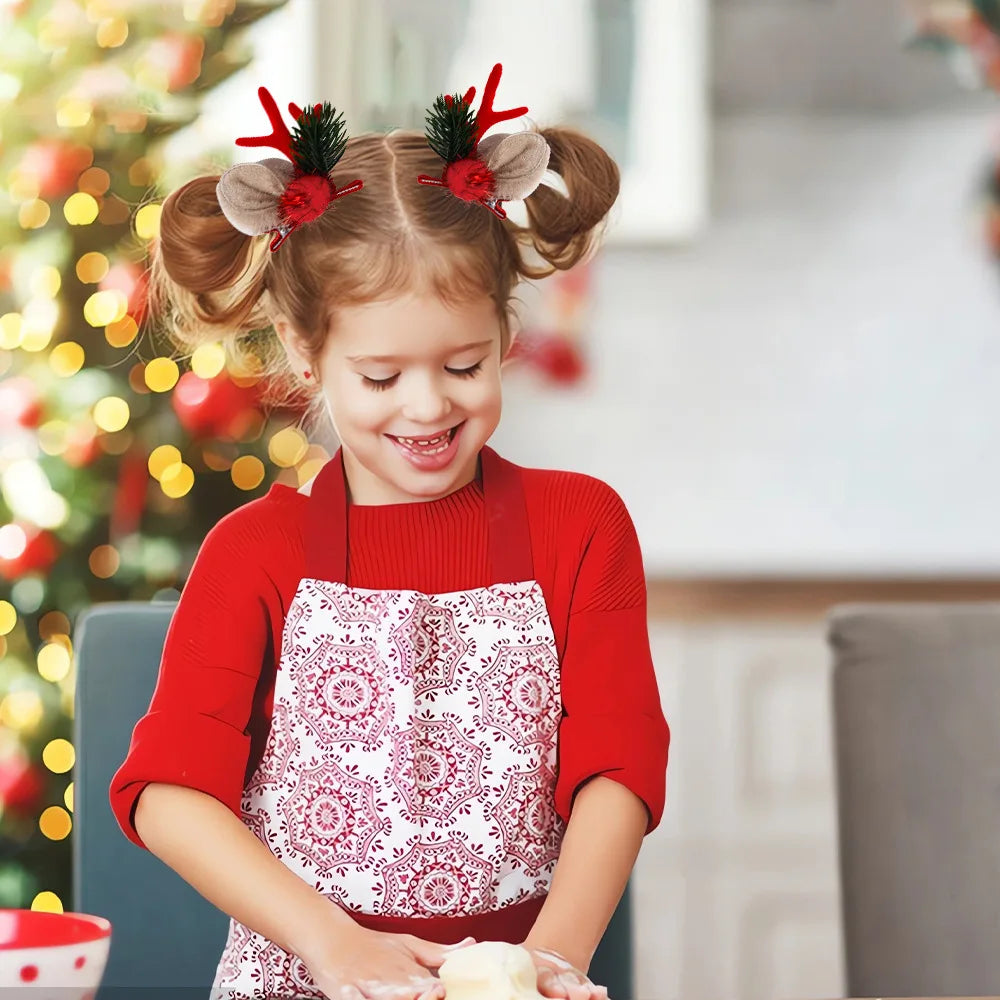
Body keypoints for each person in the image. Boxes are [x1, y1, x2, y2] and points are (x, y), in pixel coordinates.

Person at [109, 64, 669, 1000]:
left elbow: (620, 762)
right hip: (303, 975)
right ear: (306, 352)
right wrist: (332, 945)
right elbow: (168, 793)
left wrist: (547, 963)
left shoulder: (580, 527)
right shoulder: (256, 553)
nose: (427, 406)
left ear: (505, 332)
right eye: (380, 377)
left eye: (463, 365)